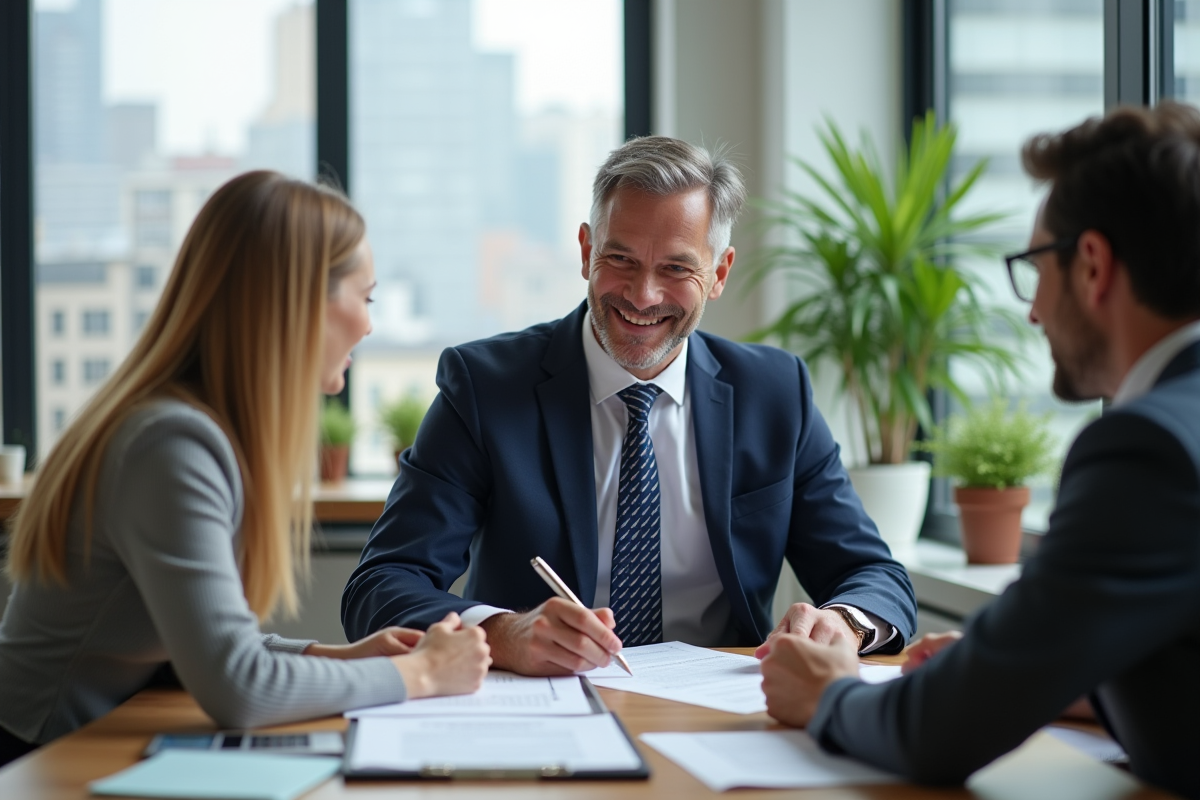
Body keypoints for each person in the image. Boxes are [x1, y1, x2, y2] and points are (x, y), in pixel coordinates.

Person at [342, 137, 916, 677]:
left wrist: (843, 622)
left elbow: (872, 575)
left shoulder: (775, 392)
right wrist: (501, 631)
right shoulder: (486, 386)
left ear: (718, 273)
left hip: (720, 711)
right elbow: (383, 583)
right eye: (620, 259)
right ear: (587, 251)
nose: (642, 295)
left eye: (675, 268)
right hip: (543, 705)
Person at [759, 103, 1200, 800]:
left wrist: (830, 693)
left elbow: (938, 733)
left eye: (1035, 267)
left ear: (1091, 265)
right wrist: (1045, 675)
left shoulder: (1148, 449)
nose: (1031, 311)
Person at [0, 171, 490, 768]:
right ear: (300, 303)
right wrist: (422, 674)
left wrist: (345, 658)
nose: (368, 324)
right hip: (42, 759)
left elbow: (211, 641)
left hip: (95, 742)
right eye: (364, 298)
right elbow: (239, 686)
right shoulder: (171, 446)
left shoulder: (191, 428)